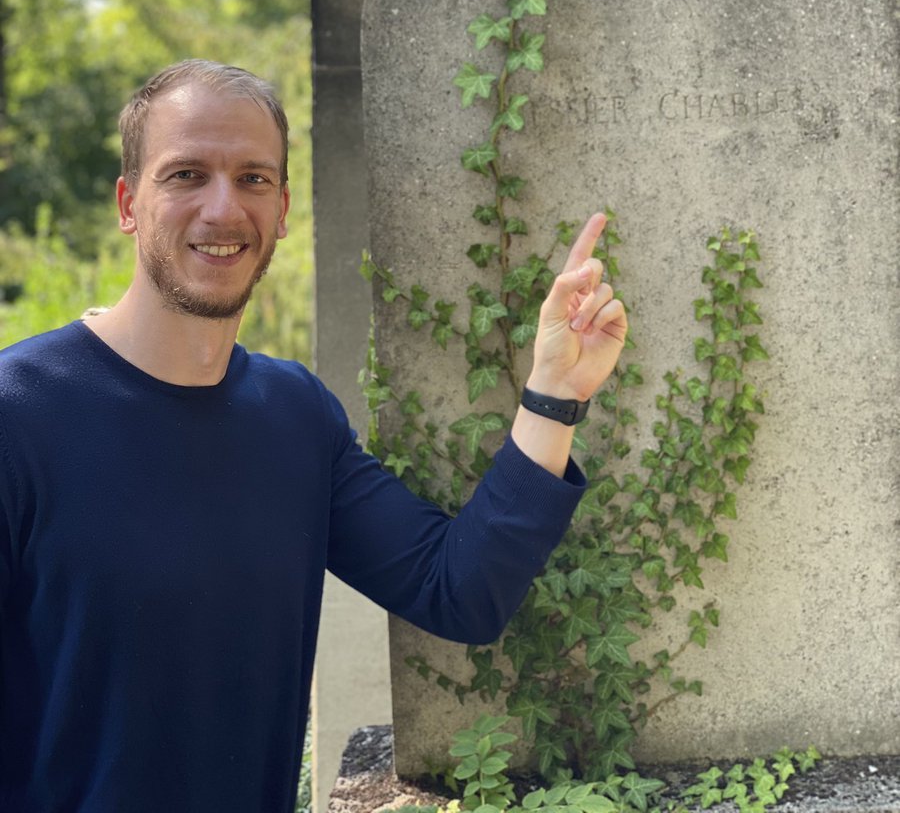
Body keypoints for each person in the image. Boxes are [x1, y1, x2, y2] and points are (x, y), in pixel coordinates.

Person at [0, 60, 627, 813]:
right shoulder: (19, 414)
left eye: (253, 179)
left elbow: (456, 592)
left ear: (284, 209)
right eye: (187, 175)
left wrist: (555, 393)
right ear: (130, 204)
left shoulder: (293, 414)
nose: (223, 208)